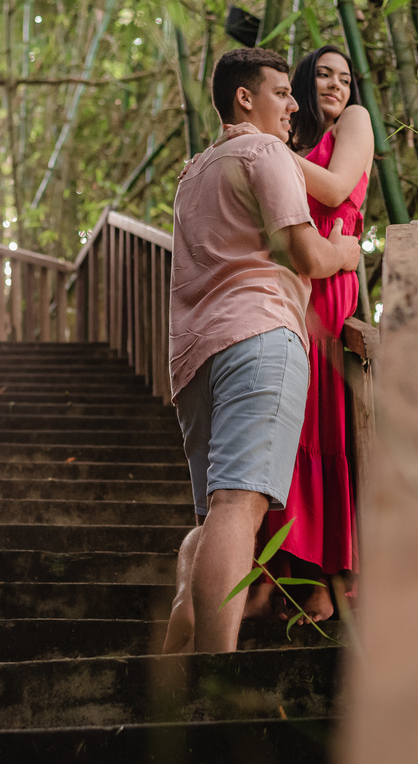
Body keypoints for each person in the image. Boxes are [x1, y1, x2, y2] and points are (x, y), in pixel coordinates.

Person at [161, 47, 361, 655]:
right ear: (245, 99)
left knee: (212, 517)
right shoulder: (265, 151)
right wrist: (347, 252)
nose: (295, 103)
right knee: (240, 508)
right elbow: (305, 253)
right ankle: (214, 670)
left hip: (193, 356)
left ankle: (178, 637)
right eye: (282, 92)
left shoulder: (194, 171)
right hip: (259, 334)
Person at [245, 45, 374, 625]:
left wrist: (260, 146)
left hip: (329, 292)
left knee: (323, 428)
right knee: (287, 431)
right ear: (302, 81)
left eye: (344, 77)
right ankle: (282, 576)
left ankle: (330, 581)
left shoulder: (356, 122)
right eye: (322, 73)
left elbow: (337, 187)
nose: (335, 85)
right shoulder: (289, 146)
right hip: (291, 289)